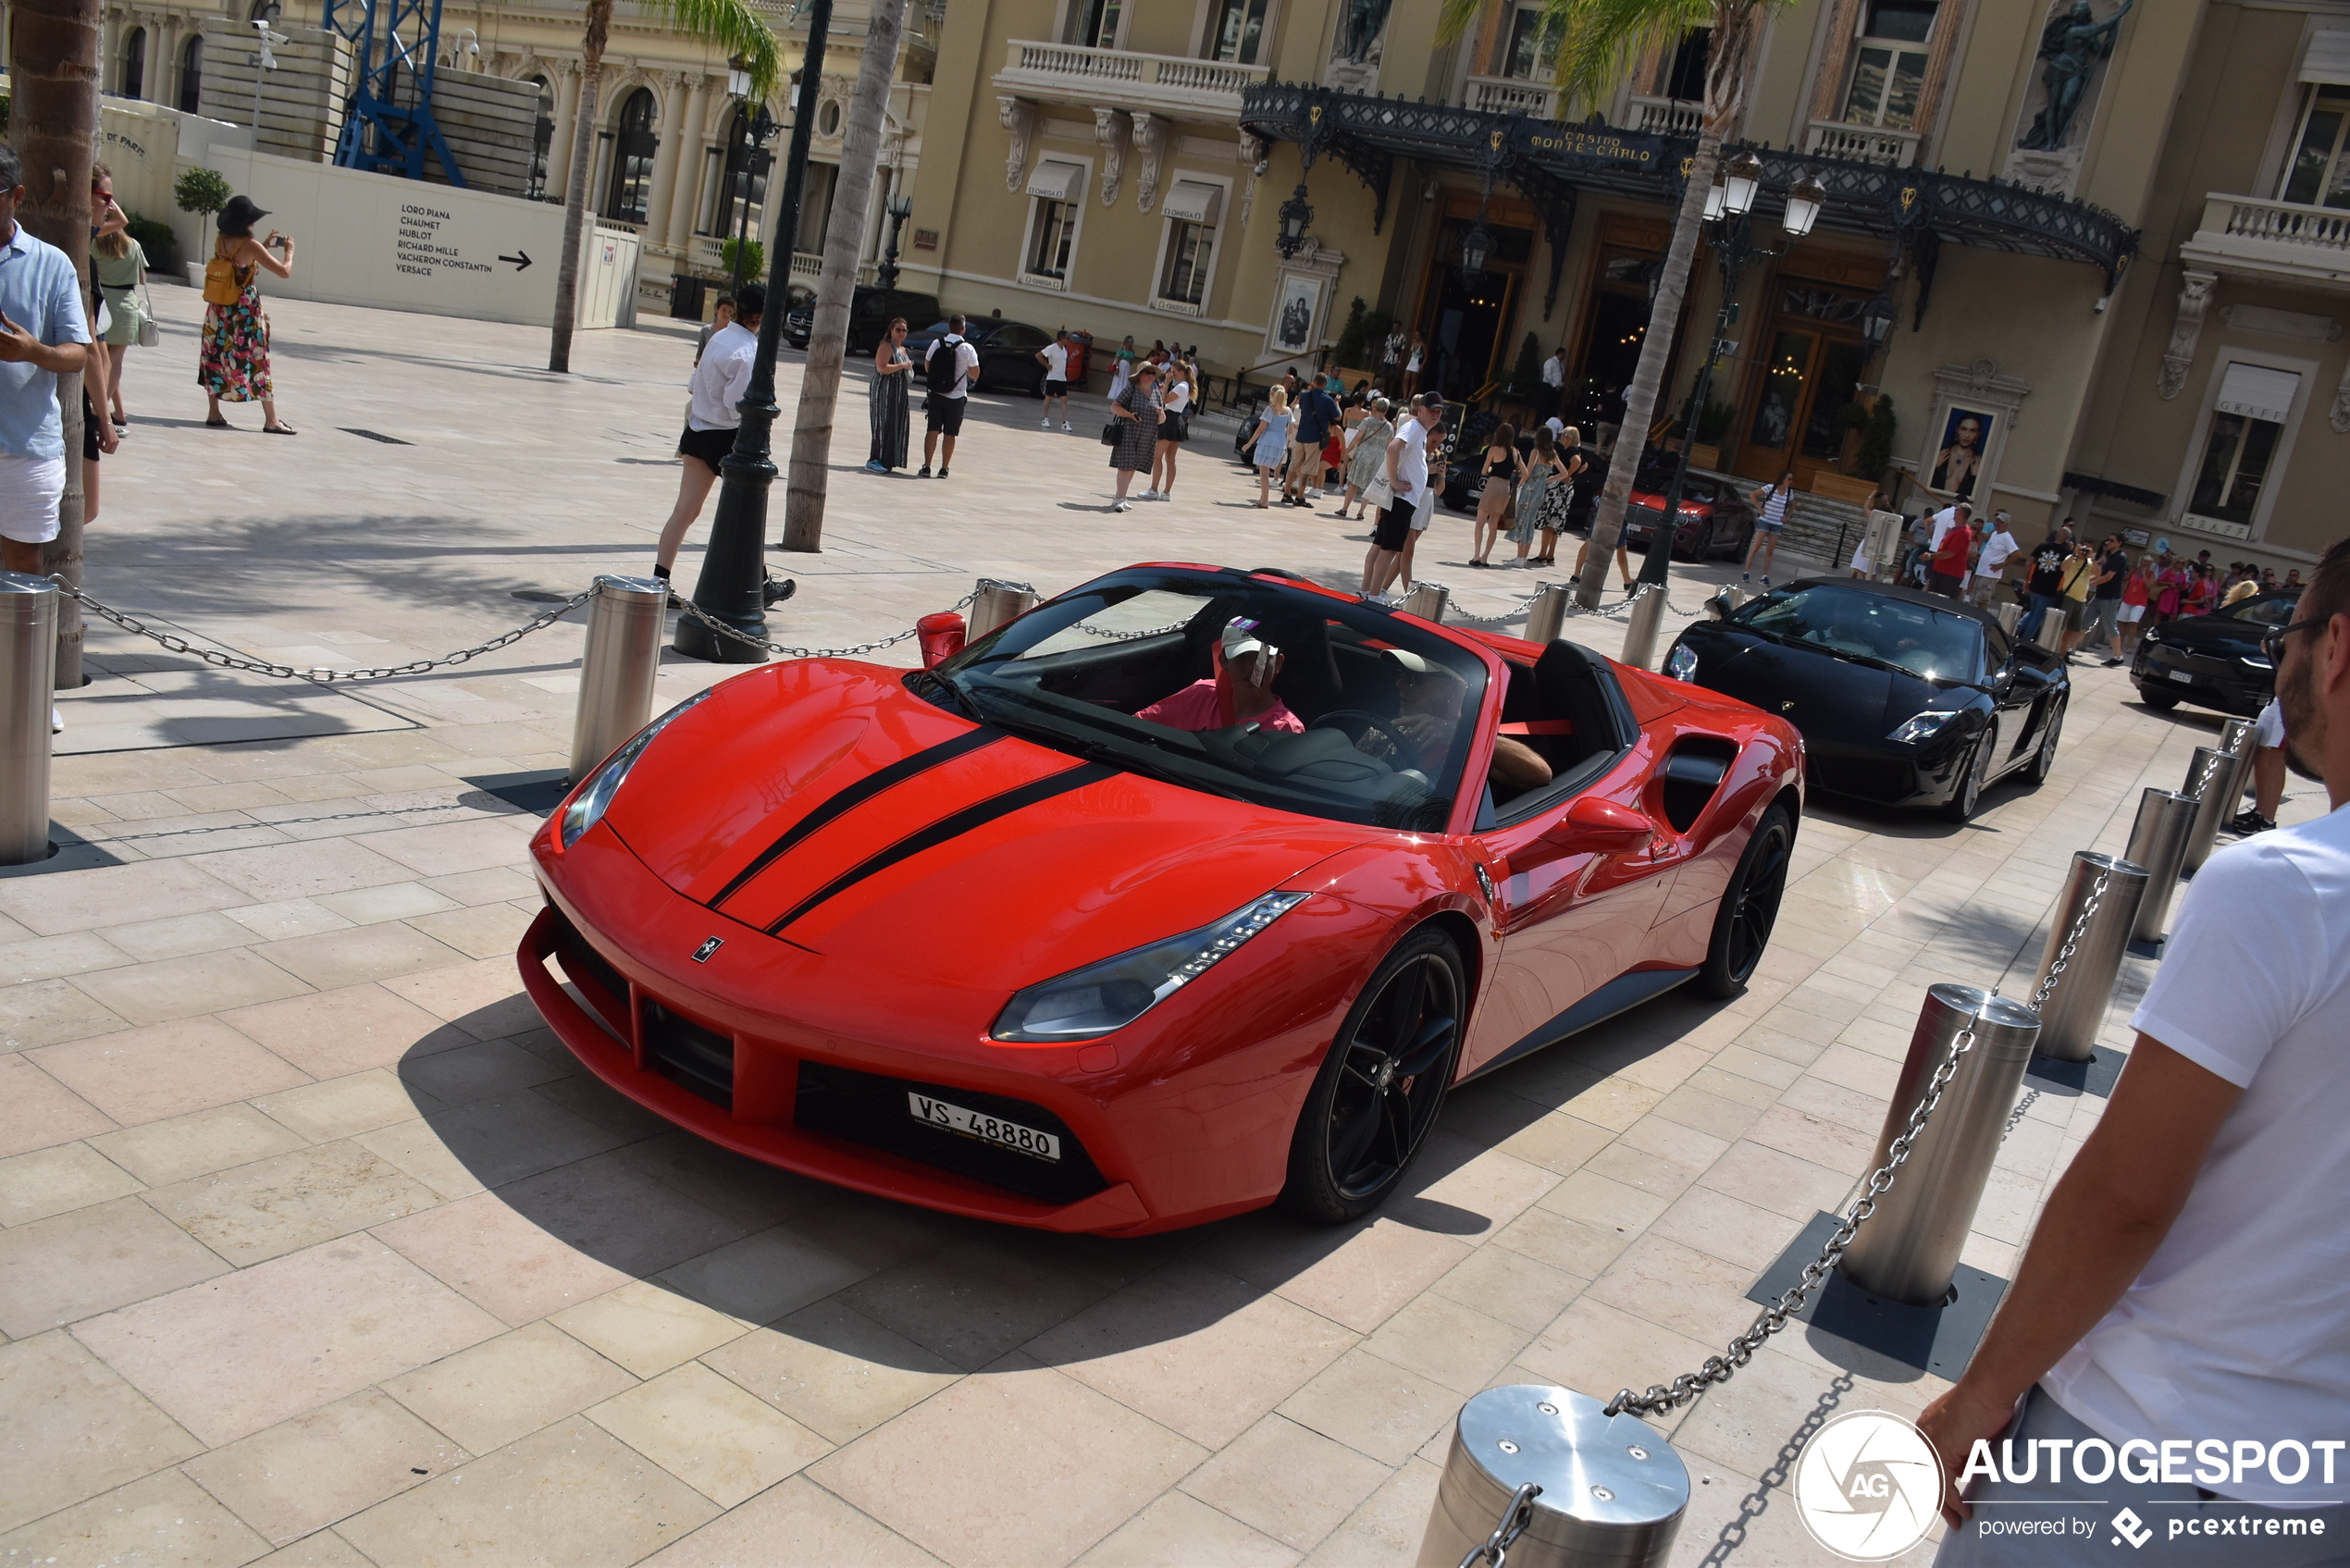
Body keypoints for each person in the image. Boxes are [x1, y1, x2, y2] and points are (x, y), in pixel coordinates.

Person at [1920, 535, 2349, 1566]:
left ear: (2336, 649)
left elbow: (2127, 1198)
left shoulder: (2287, 890)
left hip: (2135, 1457)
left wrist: (1981, 1391)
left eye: (2289, 633)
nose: (2281, 661)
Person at [651, 282, 791, 610]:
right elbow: (737, 404)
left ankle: (660, 580)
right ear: (761, 317)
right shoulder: (748, 351)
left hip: (697, 430)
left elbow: (695, 380)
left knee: (685, 510)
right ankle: (762, 583)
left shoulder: (719, 337)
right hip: (726, 437)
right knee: (749, 512)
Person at [0, 140, 92, 599]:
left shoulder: (52, 264)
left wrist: (33, 352)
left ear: (16, 197)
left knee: (22, 565)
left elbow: (78, 353)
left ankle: (16, 669)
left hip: (26, 448)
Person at [199, 195, 294, 433]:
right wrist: (289, 252)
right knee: (258, 359)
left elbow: (237, 266)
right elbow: (284, 272)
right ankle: (272, 420)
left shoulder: (221, 241)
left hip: (219, 308)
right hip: (244, 312)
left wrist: (263, 246)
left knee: (215, 356)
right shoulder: (251, 246)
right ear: (248, 222)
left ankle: (214, 412)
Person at [1137, 618, 1304, 734]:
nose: (1252, 668)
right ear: (1224, 662)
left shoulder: (1287, 728)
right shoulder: (1201, 694)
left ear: (1279, 663)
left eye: (1262, 657)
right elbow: (1138, 725)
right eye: (1242, 657)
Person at [1367, 393, 1441, 597]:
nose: (1435, 415)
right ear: (1422, 409)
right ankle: (1373, 594)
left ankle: (1368, 591)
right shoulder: (1415, 428)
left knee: (1382, 546)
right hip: (1401, 499)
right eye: (1432, 410)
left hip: (1404, 500)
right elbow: (1393, 449)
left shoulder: (1419, 431)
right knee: (1388, 549)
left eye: (1439, 412)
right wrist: (1394, 481)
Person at [88, 167, 143, 428]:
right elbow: (141, 279)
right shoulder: (133, 246)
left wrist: (107, 201)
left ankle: (108, 411)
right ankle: (104, 412)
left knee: (102, 361)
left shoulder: (94, 241)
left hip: (102, 301)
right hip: (125, 305)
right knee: (113, 363)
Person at [917, 314, 979, 478]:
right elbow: (975, 374)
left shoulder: (937, 343)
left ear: (949, 327)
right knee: (950, 433)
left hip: (936, 394)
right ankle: (944, 468)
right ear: (963, 329)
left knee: (932, 430)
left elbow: (927, 366)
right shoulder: (968, 349)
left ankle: (926, 466)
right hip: (956, 397)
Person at [1511, 426, 1571, 568]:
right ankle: (1523, 557)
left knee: (1522, 520)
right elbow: (1564, 473)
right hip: (1541, 489)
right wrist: (1547, 480)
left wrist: (1519, 484)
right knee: (1531, 521)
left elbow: (1528, 472)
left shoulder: (1535, 452)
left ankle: (1520, 557)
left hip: (1530, 488)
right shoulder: (1553, 454)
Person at [1106, 362, 1160, 512]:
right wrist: (1130, 415)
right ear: (1140, 375)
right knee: (1125, 466)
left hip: (1146, 436)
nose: (1150, 375)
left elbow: (1161, 420)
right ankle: (1121, 499)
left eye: (1153, 373)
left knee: (1133, 467)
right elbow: (1115, 406)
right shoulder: (1131, 389)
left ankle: (1119, 496)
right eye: (1147, 372)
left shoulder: (1156, 394)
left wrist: (1161, 414)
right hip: (1129, 432)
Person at [2232, 696, 2288, 836]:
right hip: (2279, 696)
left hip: (2298, 697)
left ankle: (2267, 821)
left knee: (2277, 753)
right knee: (2260, 747)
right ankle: (2259, 812)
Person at [1470, 422, 1522, 568]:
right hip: (1506, 487)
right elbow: (1525, 472)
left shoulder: (1493, 449)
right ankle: (1485, 557)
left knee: (1480, 522)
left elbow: (1484, 471)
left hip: (1493, 485)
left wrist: (1493, 467)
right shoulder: (1515, 452)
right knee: (1493, 525)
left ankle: (1476, 555)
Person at [865, 315, 911, 474]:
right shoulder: (886, 346)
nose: (901, 333)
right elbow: (882, 368)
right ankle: (875, 459)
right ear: (891, 331)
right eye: (898, 330)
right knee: (882, 422)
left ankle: (889, 459)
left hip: (899, 390)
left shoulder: (902, 349)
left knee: (895, 423)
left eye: (904, 330)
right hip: (885, 389)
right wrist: (902, 365)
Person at [1335, 396, 1393, 521]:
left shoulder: (1368, 421)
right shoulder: (1389, 427)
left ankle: (1344, 508)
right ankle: (1361, 512)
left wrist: (1348, 450)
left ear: (1376, 407)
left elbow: (1357, 438)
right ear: (1386, 409)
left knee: (1354, 483)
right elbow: (1389, 446)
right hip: (1378, 458)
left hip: (1363, 455)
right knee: (1369, 486)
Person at [1287, 375, 1340, 506]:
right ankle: (1300, 496)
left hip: (1301, 434)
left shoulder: (1304, 395)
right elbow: (1338, 416)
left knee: (1294, 465)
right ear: (1325, 384)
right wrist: (1337, 403)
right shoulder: (1328, 400)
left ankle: (1286, 493)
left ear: (1314, 382)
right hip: (1315, 437)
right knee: (1307, 468)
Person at [1744, 470, 1795, 588]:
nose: (1791, 482)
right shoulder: (1771, 488)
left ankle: (1765, 576)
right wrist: (1760, 508)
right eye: (1789, 479)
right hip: (1765, 520)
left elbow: (1793, 504)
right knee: (1756, 547)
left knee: (1770, 551)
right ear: (1783, 479)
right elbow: (1753, 494)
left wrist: (1787, 516)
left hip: (1777, 522)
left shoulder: (1789, 493)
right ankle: (1746, 572)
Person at [2022, 526, 2073, 643]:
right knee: (2037, 616)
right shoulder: (2067, 553)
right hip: (2049, 590)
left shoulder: (2042, 546)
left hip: (2034, 585)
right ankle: (2024, 641)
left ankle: (2016, 631)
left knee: (2032, 612)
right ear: (2066, 539)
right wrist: (2071, 551)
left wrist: (2026, 580)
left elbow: (2028, 562)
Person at [2084, 533, 2129, 663]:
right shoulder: (2111, 557)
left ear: (2119, 543)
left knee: (2110, 626)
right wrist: (2086, 580)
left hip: (2110, 598)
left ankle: (2118, 656)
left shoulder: (2120, 558)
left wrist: (2088, 584)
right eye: (2108, 539)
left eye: (2111, 540)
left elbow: (2108, 577)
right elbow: (2100, 574)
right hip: (2100, 595)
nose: (2108, 542)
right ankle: (2069, 648)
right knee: (2084, 621)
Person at [1150, 363, 1190, 501]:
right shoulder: (1185, 386)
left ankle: (1154, 489)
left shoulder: (1181, 386)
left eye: (1174, 372)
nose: (1172, 375)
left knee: (1157, 456)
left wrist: (1166, 384)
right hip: (1177, 420)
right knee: (1170, 460)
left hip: (1170, 420)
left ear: (1181, 372)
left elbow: (1164, 401)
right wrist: (1165, 388)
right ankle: (1166, 492)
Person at [1246, 386, 1291, 509]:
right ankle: (1262, 498)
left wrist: (1249, 443)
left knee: (1264, 473)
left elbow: (1261, 428)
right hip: (1280, 441)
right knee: (1267, 471)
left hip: (1268, 440)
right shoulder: (1288, 411)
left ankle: (1265, 500)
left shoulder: (1270, 410)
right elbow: (1290, 430)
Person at [1970, 512, 2021, 609]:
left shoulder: (2007, 537)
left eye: (2000, 521)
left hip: (1990, 574)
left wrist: (2003, 564)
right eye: (1997, 520)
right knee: (1975, 599)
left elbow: (2017, 554)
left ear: (2006, 524)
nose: (1997, 523)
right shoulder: (1994, 534)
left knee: (1983, 601)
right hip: (1981, 571)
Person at [1930, 413, 1985, 499]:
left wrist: (1974, 477)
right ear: (1957, 429)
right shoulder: (1941, 453)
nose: (1967, 435)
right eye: (1963, 429)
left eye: (1972, 431)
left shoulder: (1978, 462)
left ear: (1978, 434)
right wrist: (1936, 467)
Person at [1927, 506, 1973, 596]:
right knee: (1931, 599)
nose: (1954, 512)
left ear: (1960, 513)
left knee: (1941, 603)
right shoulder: (1956, 529)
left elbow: (1950, 553)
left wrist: (1930, 556)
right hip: (1940, 571)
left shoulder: (1963, 532)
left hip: (1950, 575)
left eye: (1956, 510)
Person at [2116, 555, 2155, 660]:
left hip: (2140, 602)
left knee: (2133, 623)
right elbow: (2125, 579)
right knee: (2122, 622)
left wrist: (2144, 574)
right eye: (2144, 560)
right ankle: (2119, 644)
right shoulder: (2134, 571)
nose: (2145, 563)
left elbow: (2148, 586)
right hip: (2128, 599)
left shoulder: (2151, 574)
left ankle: (2129, 646)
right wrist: (2123, 590)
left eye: (2148, 561)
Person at [1036, 328, 1074, 433]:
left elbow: (1064, 361)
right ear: (1062, 338)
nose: (1068, 340)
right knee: (1049, 397)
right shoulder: (1052, 348)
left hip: (1062, 378)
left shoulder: (1064, 349)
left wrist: (1072, 357)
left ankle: (1065, 422)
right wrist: (1047, 365)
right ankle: (1045, 418)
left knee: (1064, 399)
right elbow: (1039, 355)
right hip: (1053, 377)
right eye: (1067, 338)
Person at [693, 294, 734, 364]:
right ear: (717, 310)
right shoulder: (706, 330)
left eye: (730, 312)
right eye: (724, 310)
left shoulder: (733, 333)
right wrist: (697, 361)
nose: (727, 315)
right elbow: (700, 352)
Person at [1541, 344, 1567, 421]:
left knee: (1553, 409)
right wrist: (1554, 385)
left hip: (1557, 389)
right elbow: (1547, 375)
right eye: (1564, 354)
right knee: (1544, 406)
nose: (1565, 356)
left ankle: (1548, 424)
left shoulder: (1561, 364)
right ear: (1560, 353)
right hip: (1548, 387)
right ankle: (1536, 424)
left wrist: (1562, 385)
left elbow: (1558, 377)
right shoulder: (1551, 362)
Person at [1403, 332, 1425, 400]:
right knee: (1405, 380)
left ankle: (1409, 398)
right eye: (1415, 335)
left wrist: (1422, 365)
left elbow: (1426, 356)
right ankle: (1404, 397)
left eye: (1417, 335)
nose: (1415, 336)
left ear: (1420, 336)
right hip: (1411, 360)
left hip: (1417, 361)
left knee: (1413, 381)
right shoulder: (1413, 342)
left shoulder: (1422, 344)